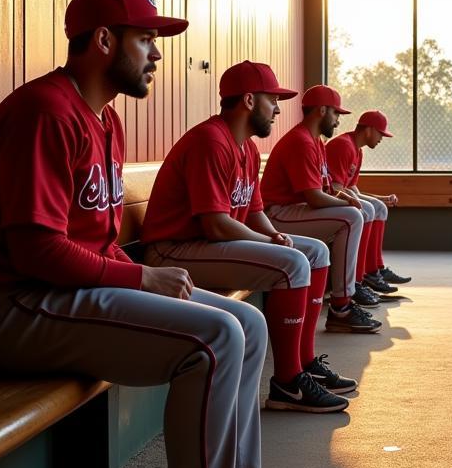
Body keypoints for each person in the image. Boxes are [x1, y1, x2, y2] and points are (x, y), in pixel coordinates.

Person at [0, 0, 315, 468]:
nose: (156, 53)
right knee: (215, 339)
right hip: (12, 306)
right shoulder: (45, 112)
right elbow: (37, 253)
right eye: (145, 38)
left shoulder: (104, 119)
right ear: (102, 41)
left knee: (247, 323)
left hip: (64, 293)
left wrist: (140, 273)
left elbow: (92, 241)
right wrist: (142, 278)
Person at [141, 60, 356, 414]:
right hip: (173, 251)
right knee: (292, 263)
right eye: (272, 100)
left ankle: (304, 362)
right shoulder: (211, 141)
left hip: (207, 245)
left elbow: (254, 211)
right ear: (249, 100)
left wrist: (273, 234)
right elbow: (215, 223)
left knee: (315, 252)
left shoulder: (247, 147)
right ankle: (287, 384)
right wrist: (269, 243)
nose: (277, 109)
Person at [260, 86, 382, 333]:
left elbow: (326, 190)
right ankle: (342, 306)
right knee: (350, 217)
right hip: (277, 214)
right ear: (322, 110)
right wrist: (347, 202)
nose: (338, 121)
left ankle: (344, 296)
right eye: (336, 114)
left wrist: (345, 197)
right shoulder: (301, 141)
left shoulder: (315, 141)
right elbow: (315, 198)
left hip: (295, 210)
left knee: (354, 213)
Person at [325, 109, 412, 296]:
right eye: (381, 133)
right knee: (367, 210)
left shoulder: (357, 151)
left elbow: (352, 189)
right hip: (324, 201)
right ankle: (358, 278)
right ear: (369, 130)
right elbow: (336, 187)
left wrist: (381, 198)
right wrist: (363, 201)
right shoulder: (343, 145)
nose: (382, 138)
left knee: (378, 208)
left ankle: (374, 270)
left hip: (338, 196)